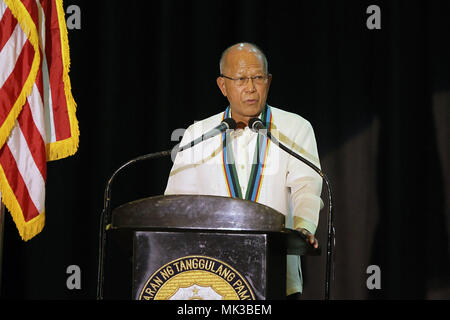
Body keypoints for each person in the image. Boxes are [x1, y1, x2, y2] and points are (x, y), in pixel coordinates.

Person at [164, 42, 323, 299]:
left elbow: (307, 186)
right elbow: (176, 205)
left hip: (276, 275)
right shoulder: (198, 133)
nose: (250, 87)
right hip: (211, 278)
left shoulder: (295, 128)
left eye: (258, 77)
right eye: (240, 79)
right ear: (223, 85)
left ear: (268, 81)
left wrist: (304, 227)